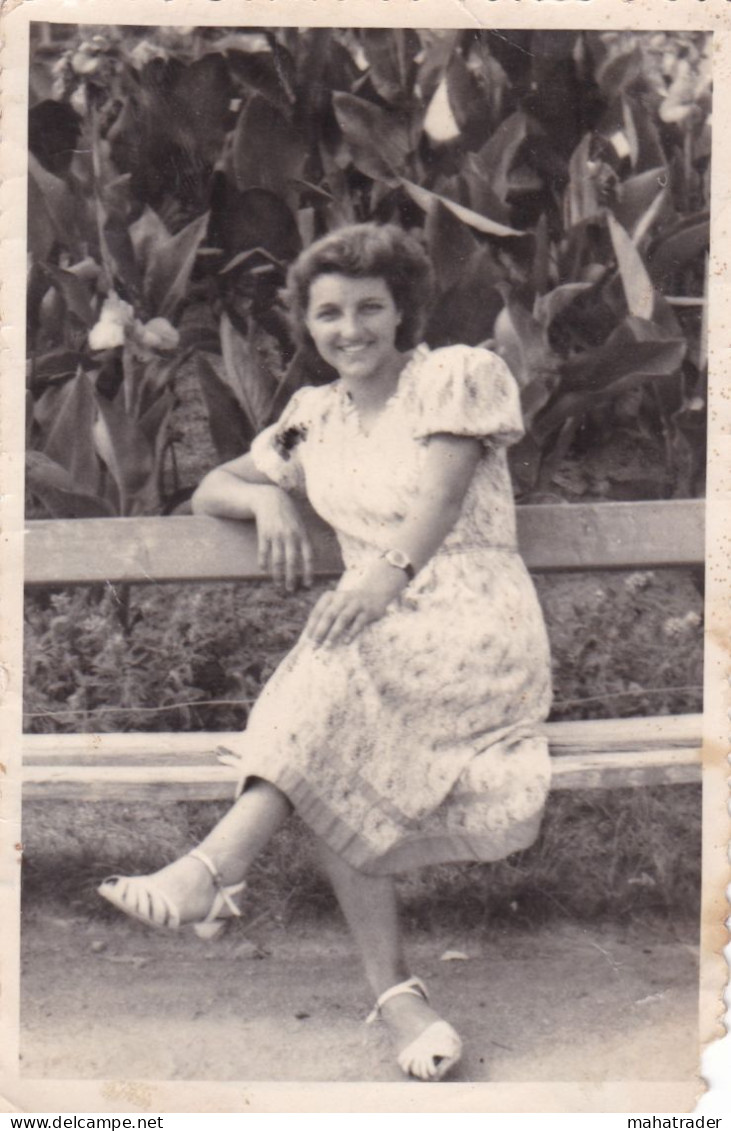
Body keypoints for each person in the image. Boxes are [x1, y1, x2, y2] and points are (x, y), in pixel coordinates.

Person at [98, 222, 553, 1082]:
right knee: (330, 703)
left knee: (329, 675)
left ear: (402, 311)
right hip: (367, 637)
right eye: (330, 313)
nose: (351, 330)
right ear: (306, 323)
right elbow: (209, 486)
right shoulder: (310, 418)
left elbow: (443, 496)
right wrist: (266, 503)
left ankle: (214, 869)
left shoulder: (452, 376)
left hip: (471, 625)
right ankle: (395, 1000)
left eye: (370, 309)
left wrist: (382, 575)